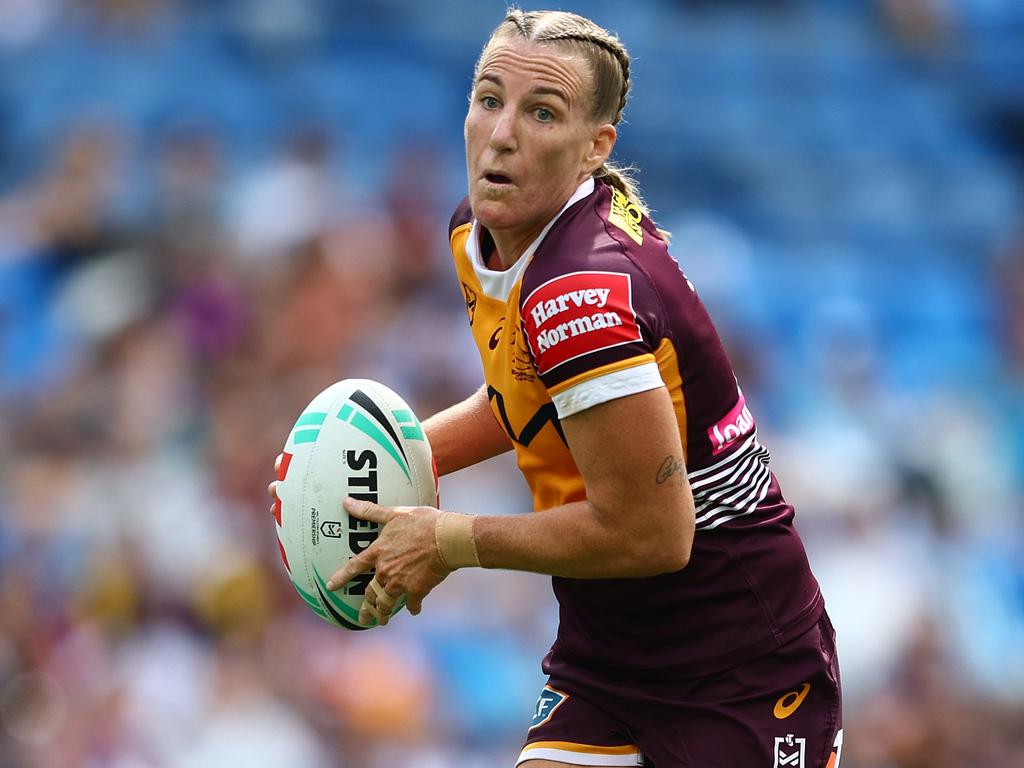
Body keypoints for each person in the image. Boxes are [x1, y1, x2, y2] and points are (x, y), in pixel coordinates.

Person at [271, 9, 842, 767]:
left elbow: (652, 533)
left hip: (741, 667)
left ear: (594, 148)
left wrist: (446, 541)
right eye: (488, 98)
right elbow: (525, 401)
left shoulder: (583, 292)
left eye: (542, 112)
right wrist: (378, 466)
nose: (502, 133)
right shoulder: (479, 234)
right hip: (608, 653)